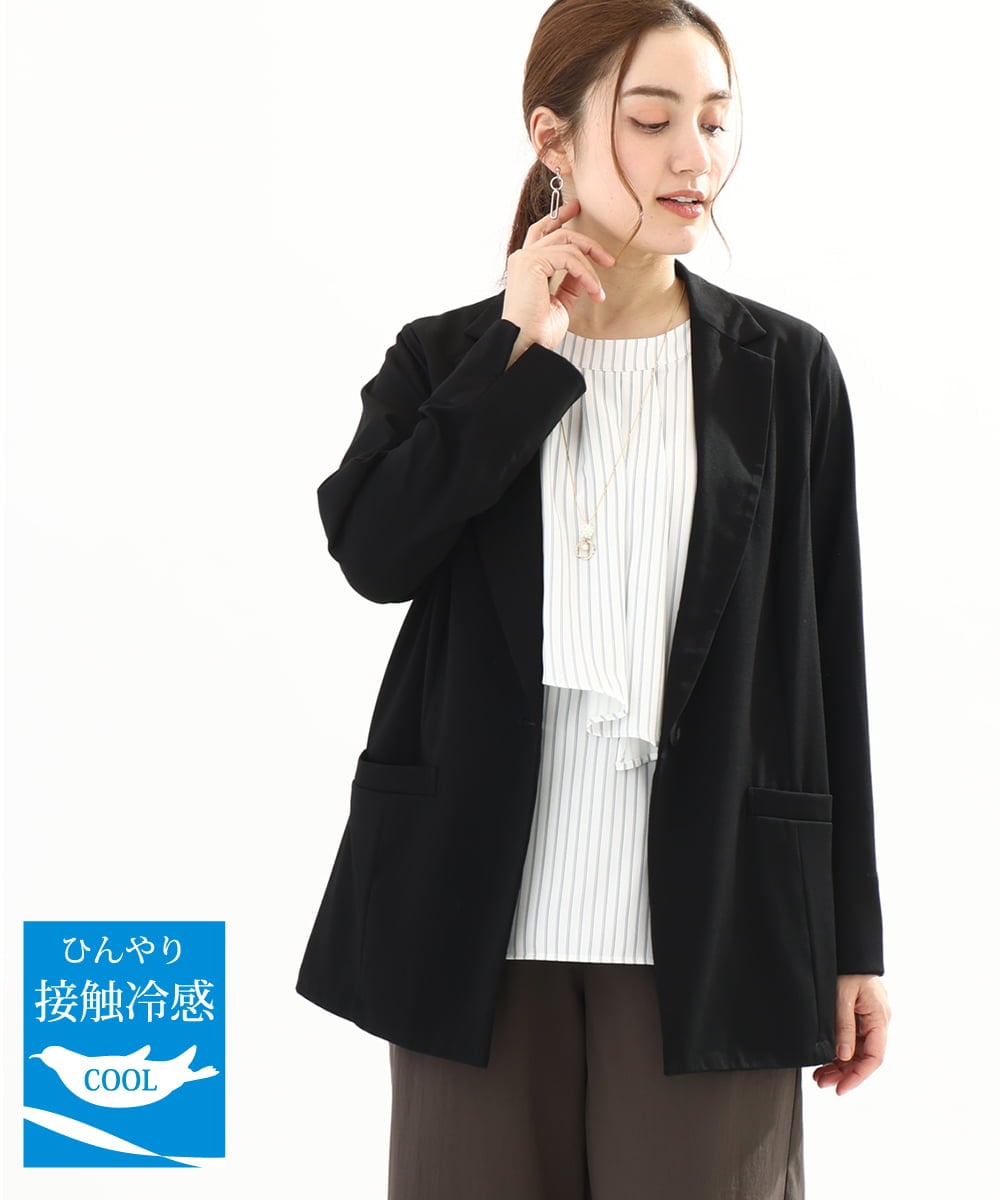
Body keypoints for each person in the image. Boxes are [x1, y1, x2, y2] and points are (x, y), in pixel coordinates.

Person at [296, 1, 892, 1196]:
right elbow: (373, 553)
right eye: (653, 119)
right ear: (552, 138)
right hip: (471, 922)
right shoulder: (449, 358)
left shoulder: (785, 373)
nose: (694, 157)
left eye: (713, 122)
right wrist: (518, 351)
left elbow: (830, 663)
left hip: (719, 924)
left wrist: (852, 939)